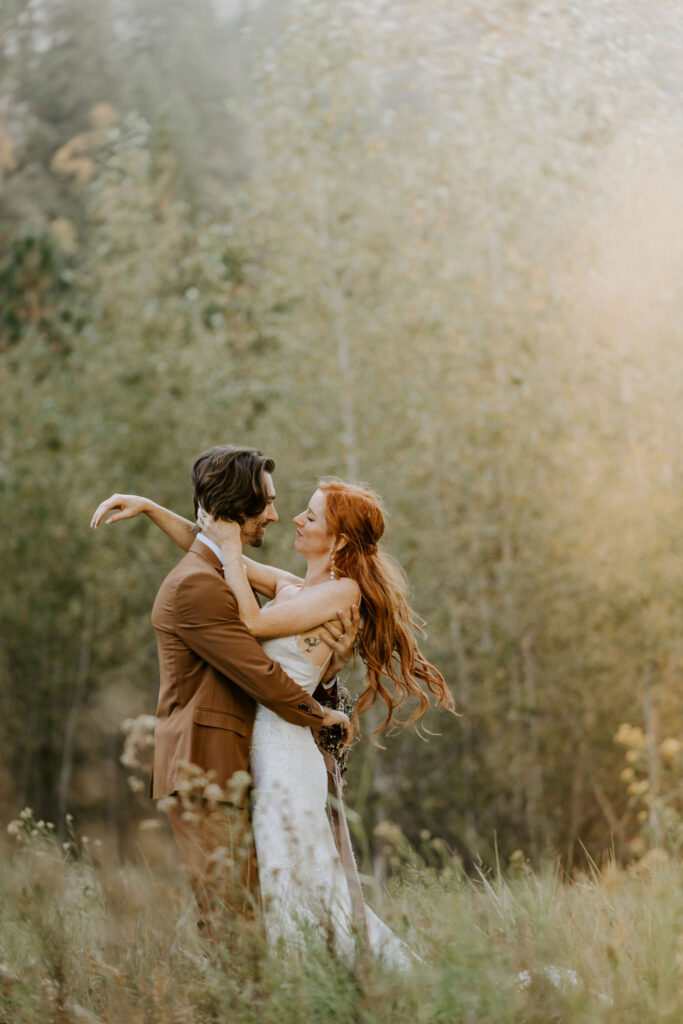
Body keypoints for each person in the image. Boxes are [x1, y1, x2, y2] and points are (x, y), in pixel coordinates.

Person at [94, 463, 455, 964]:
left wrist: (235, 549)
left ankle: (318, 978)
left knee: (293, 873)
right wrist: (152, 508)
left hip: (287, 751)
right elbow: (213, 550)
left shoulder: (342, 591)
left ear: (342, 542)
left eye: (310, 517)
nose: (293, 521)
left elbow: (253, 621)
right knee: (285, 874)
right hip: (263, 745)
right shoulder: (295, 586)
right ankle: (314, 979)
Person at [91, 445, 356, 942]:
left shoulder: (222, 573)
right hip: (203, 767)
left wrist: (149, 507)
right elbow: (257, 670)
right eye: (269, 504)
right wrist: (321, 715)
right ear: (236, 513)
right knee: (231, 911)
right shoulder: (199, 585)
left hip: (232, 764)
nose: (278, 515)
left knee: (255, 903)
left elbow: (205, 540)